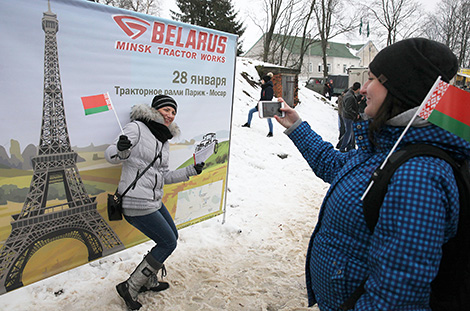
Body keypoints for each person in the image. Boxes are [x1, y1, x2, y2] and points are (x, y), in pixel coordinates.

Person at [274, 38, 470, 310]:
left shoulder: (418, 176)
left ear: (401, 88)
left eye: (373, 79)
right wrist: (296, 126)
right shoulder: (387, 146)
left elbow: (395, 298)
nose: (363, 88)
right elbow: (333, 164)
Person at [105, 95, 204, 310]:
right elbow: (111, 155)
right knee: (168, 242)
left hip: (153, 201)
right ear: (155, 110)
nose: (170, 115)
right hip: (135, 201)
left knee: (172, 237)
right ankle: (130, 286)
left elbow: (162, 176)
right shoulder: (138, 128)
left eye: (173, 112)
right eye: (166, 109)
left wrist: (190, 171)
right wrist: (121, 149)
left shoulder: (163, 139)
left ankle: (148, 279)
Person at [242, 72, 275, 137]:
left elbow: (268, 98)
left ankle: (271, 132)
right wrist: (259, 104)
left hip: (266, 106)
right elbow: (262, 97)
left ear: (265, 81)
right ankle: (248, 124)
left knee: (268, 119)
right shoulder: (264, 87)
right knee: (251, 111)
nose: (261, 81)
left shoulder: (269, 88)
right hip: (261, 104)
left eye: (262, 80)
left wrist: (263, 104)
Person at [339, 82, 361, 152]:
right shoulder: (350, 96)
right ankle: (342, 147)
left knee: (349, 132)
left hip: (346, 116)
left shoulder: (349, 94)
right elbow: (348, 109)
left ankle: (349, 147)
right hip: (348, 117)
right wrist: (355, 114)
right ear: (358, 89)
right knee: (348, 133)